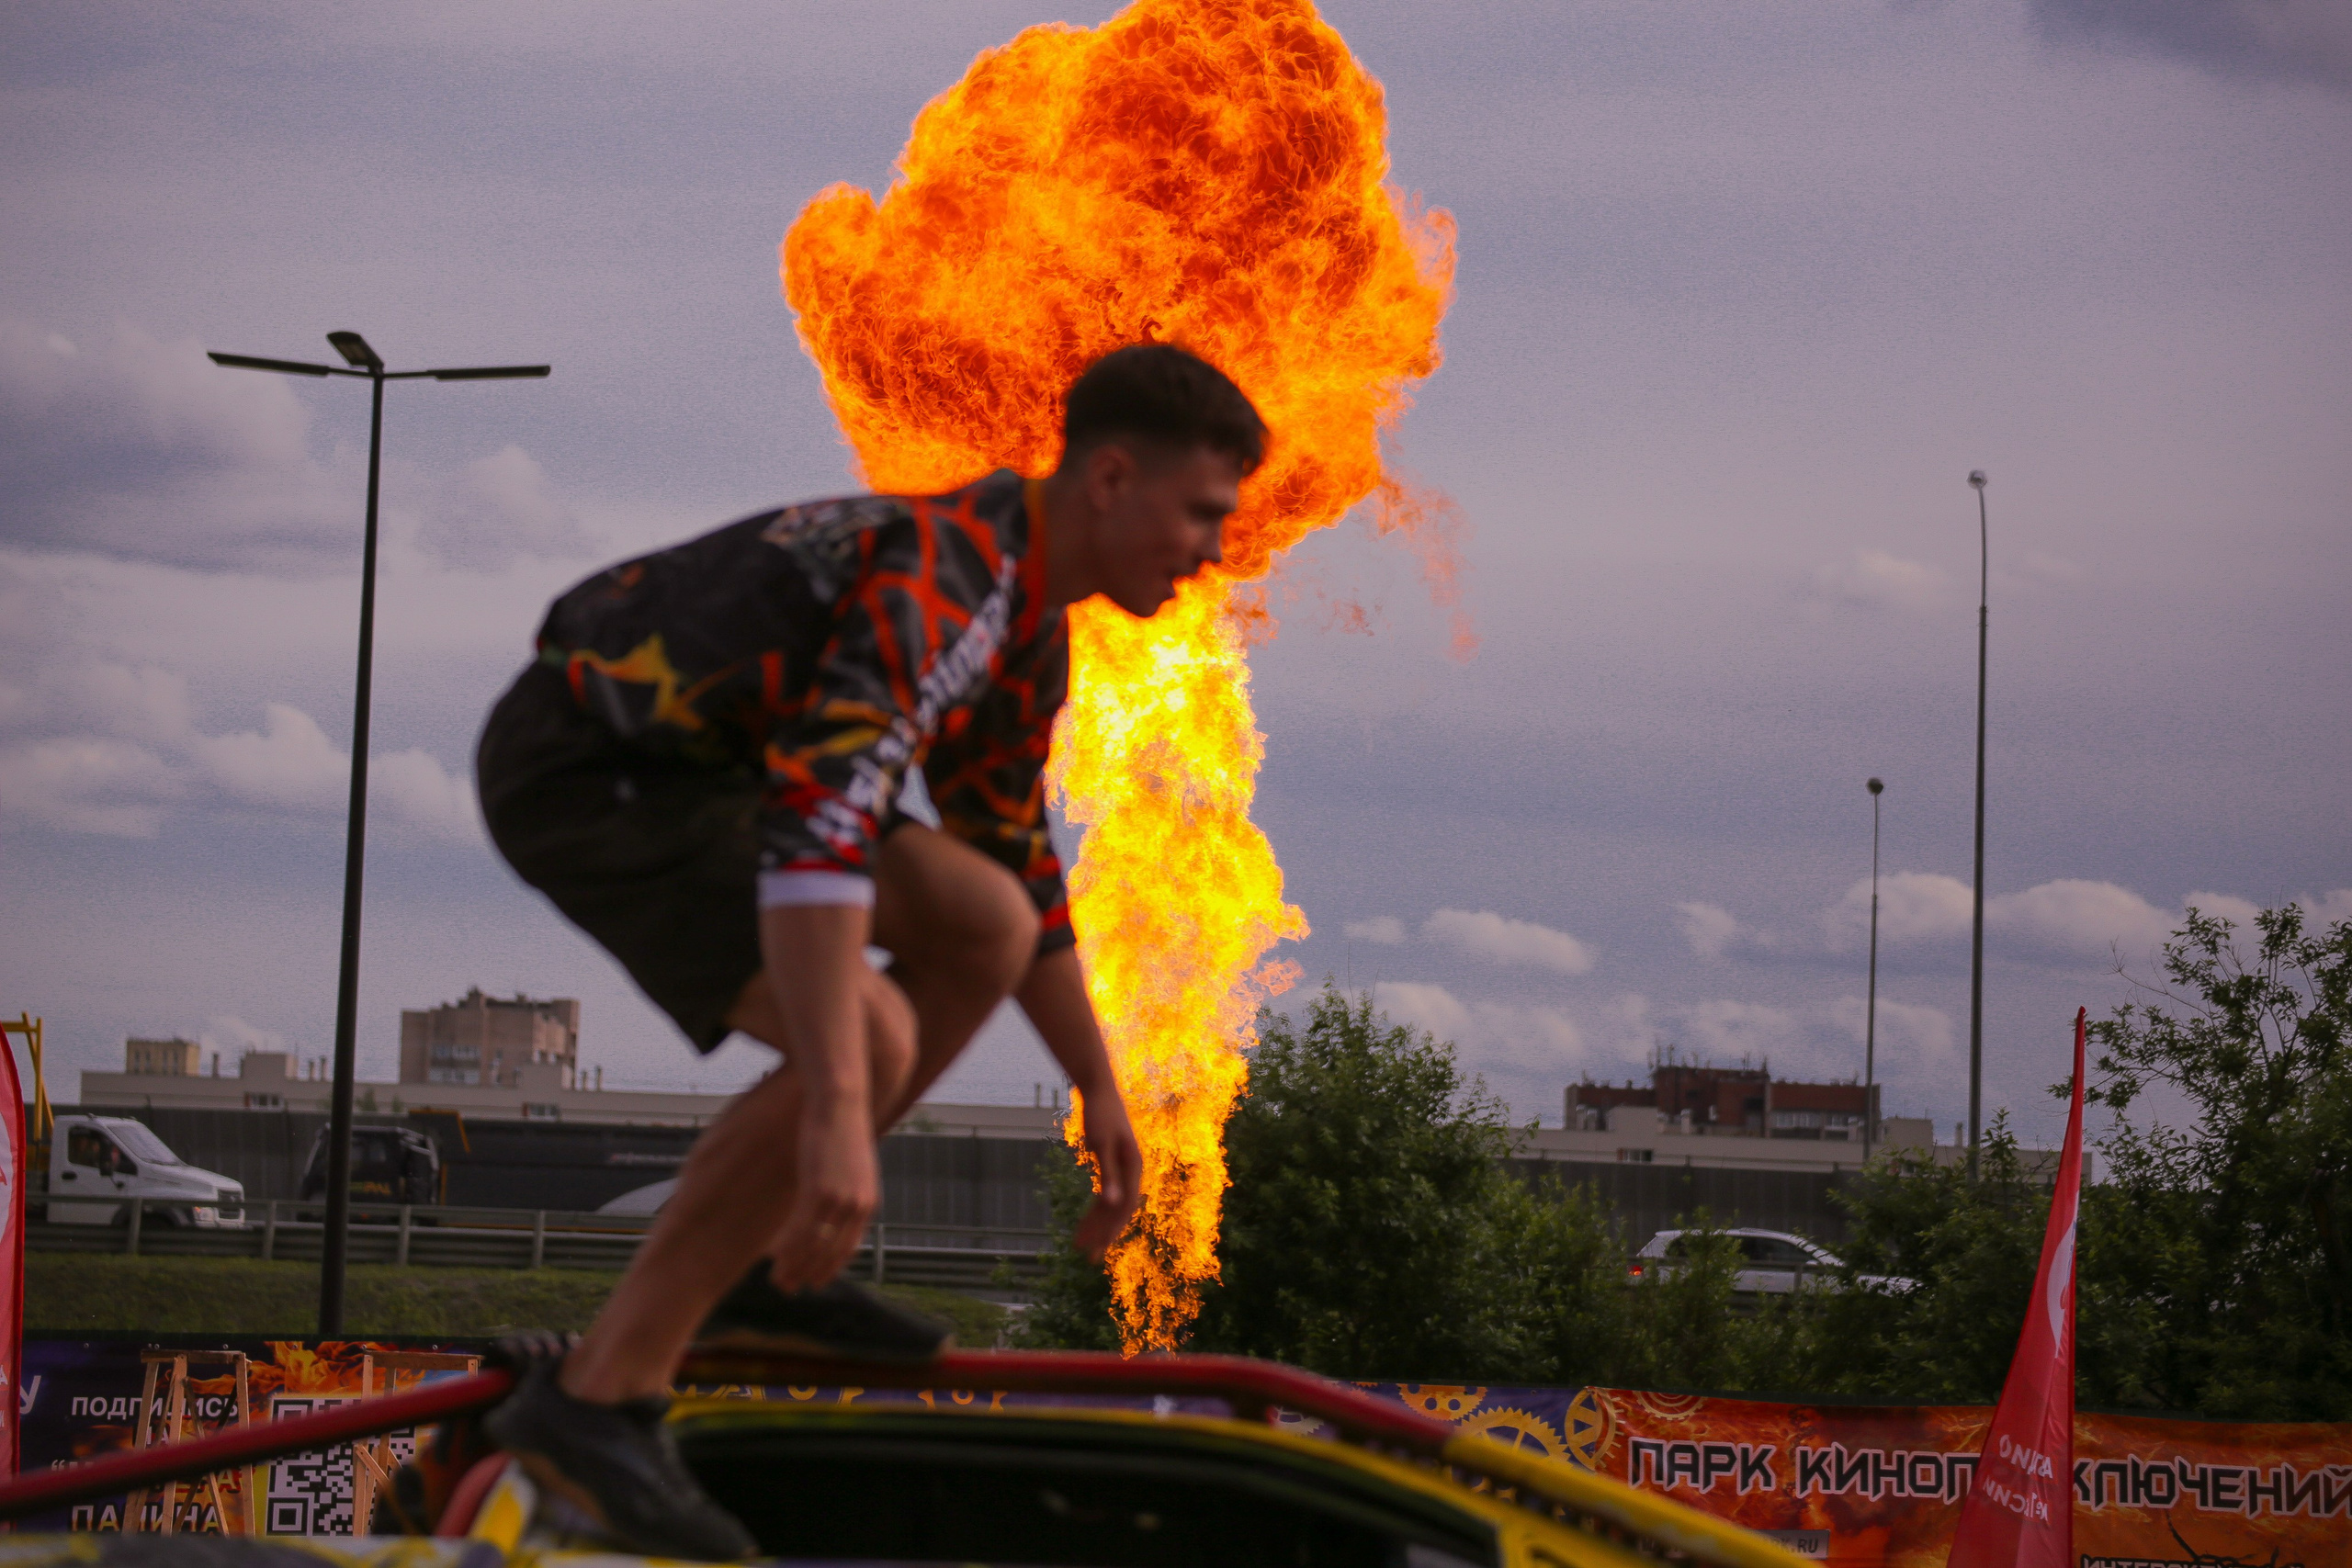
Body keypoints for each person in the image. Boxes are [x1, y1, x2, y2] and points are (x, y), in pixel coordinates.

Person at [473, 344, 1268, 1559]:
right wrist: (842, 1109)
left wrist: (1101, 1085)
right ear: (1112, 478)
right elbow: (824, 820)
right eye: (1203, 513)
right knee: (874, 1029)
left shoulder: (1026, 621)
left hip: (721, 780)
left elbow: (1009, 859)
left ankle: (739, 1269)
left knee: (986, 918)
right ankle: (596, 1402)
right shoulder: (949, 580)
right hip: (593, 770)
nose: (1212, 550)